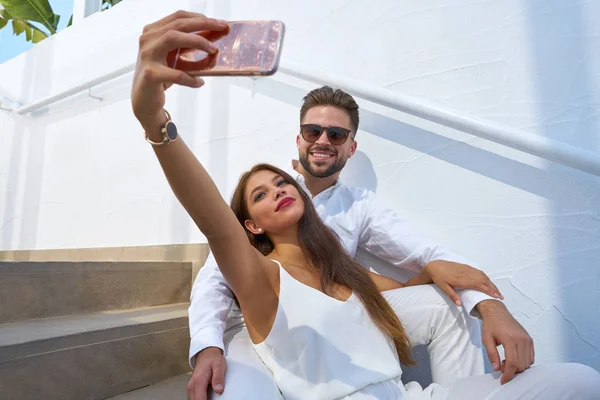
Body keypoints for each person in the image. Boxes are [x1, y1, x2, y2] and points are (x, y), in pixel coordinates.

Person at [131, 11, 600, 400]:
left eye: (336, 134)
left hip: (383, 364)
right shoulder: (259, 268)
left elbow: (421, 263)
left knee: (581, 380)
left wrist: (482, 300)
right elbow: (217, 235)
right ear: (298, 141)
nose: (322, 141)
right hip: (269, 334)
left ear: (349, 147)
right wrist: (156, 122)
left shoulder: (352, 230)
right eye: (313, 131)